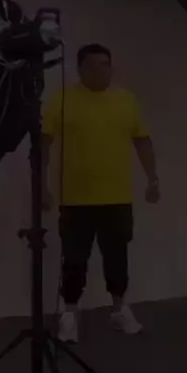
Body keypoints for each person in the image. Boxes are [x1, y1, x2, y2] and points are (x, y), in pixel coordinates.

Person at [42, 43, 160, 344]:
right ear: (80, 69)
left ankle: (119, 311)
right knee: (74, 260)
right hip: (75, 200)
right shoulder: (62, 99)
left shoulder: (126, 100)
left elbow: (142, 140)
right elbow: (43, 143)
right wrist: (41, 186)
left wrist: (152, 178)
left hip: (117, 198)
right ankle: (69, 315)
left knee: (117, 258)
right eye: (93, 66)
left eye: (105, 65)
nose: (101, 71)